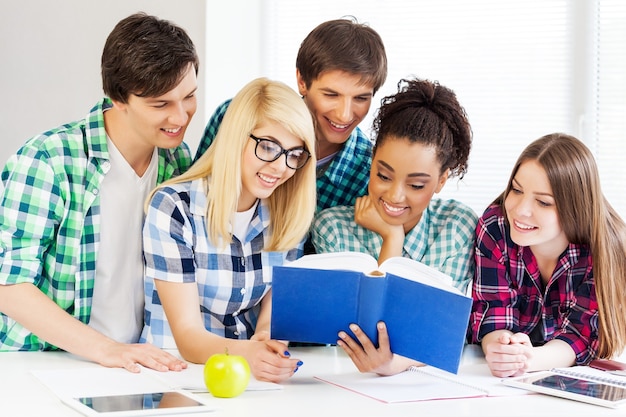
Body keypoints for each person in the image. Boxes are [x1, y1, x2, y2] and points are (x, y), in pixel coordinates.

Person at [0, 12, 197, 373]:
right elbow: (9, 286)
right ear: (117, 98)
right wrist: (106, 350)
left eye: (189, 97)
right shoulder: (49, 160)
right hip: (45, 364)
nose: (181, 117)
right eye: (161, 105)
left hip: (139, 363)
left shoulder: (178, 159)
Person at [140, 77, 317, 383]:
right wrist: (249, 352)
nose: (280, 167)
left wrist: (267, 339)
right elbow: (188, 337)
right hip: (172, 377)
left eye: (293, 154)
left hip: (244, 380)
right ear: (237, 136)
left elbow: (272, 315)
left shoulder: (287, 214)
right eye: (268, 147)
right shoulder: (174, 207)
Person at [311, 78, 477, 375]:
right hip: (345, 383)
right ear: (372, 161)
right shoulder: (333, 226)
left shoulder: (457, 226)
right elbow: (373, 333)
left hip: (431, 386)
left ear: (441, 181)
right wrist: (392, 236)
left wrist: (393, 364)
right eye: (383, 176)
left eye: (415, 184)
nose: (394, 196)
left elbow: (444, 334)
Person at [467, 133, 626, 378]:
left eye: (543, 202)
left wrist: (527, 360)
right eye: (517, 190)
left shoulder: (605, 248)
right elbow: (493, 310)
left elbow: (580, 335)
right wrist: (500, 349)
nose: (520, 210)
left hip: (564, 376)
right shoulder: (495, 227)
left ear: (575, 207)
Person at [195, 17, 387, 214]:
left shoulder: (369, 174)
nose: (344, 115)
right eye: (331, 95)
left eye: (361, 98)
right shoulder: (236, 116)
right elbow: (194, 196)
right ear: (302, 81)